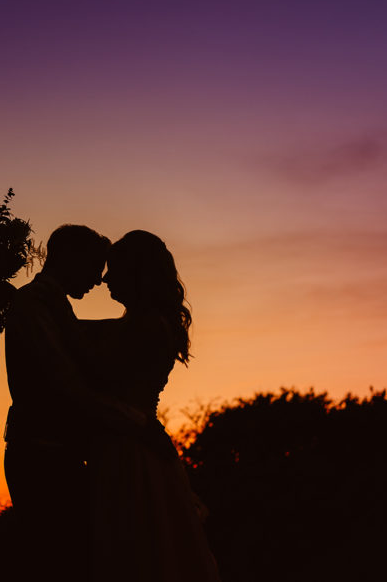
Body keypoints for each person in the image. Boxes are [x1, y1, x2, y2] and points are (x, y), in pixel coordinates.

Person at [3, 224, 167, 577]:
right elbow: (67, 384)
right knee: (62, 561)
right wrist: (141, 426)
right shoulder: (35, 305)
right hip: (40, 453)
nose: (99, 280)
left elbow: (90, 340)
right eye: (95, 266)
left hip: (61, 453)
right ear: (69, 258)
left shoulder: (54, 308)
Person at [77, 230, 221, 581]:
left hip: (132, 451)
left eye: (115, 269)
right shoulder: (135, 324)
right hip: (124, 445)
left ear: (137, 272)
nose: (106, 277)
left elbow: (88, 361)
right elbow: (78, 330)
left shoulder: (147, 327)